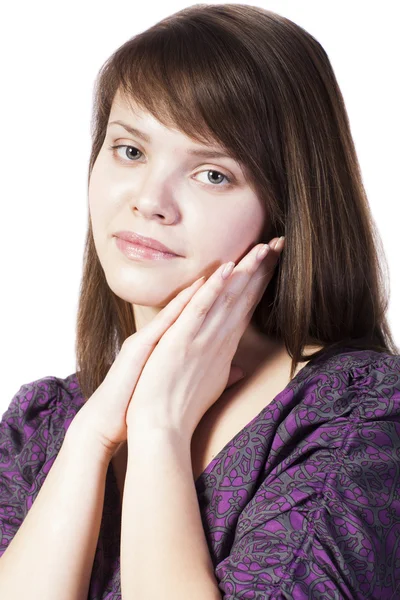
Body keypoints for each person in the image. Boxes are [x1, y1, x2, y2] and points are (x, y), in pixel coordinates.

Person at [1, 4, 399, 599]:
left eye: (212, 173)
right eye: (130, 151)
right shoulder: (45, 427)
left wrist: (159, 427)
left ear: (286, 208)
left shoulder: (357, 419)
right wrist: (90, 440)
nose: (149, 200)